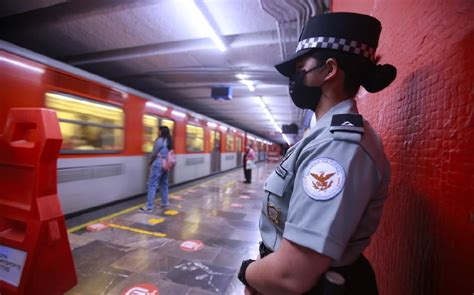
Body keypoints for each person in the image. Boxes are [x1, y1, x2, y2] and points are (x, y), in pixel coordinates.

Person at [238, 12, 396, 294]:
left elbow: (292, 274)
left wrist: (247, 273)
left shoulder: (339, 148)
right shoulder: (321, 137)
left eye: (301, 66)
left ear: (329, 69)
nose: (295, 77)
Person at [141, 126, 173, 212]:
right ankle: (165, 203)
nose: (158, 132)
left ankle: (149, 207)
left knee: (152, 184)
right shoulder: (169, 140)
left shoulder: (160, 140)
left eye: (159, 131)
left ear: (161, 131)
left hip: (158, 163)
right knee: (164, 184)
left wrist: (150, 162)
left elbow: (154, 153)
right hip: (166, 164)